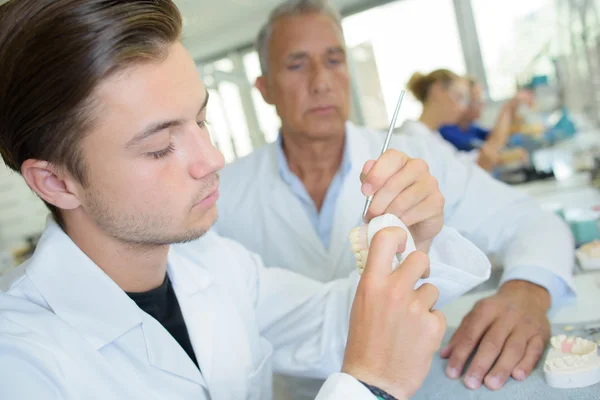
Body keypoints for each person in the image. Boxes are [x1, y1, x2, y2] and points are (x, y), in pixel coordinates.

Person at [0, 1, 493, 399]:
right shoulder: (20, 365)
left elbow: (341, 322)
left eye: (201, 120)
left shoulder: (214, 263)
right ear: (56, 182)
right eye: (158, 147)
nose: (212, 158)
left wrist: (417, 239)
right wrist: (367, 389)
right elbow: (369, 359)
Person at [215, 0, 576, 396]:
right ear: (265, 88)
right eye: (296, 65)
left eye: (334, 61)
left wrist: (526, 292)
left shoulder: (415, 159)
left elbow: (533, 220)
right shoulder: (223, 194)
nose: (320, 82)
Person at [405, 71, 529, 171]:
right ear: (437, 91)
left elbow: (463, 163)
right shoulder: (413, 135)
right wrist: (508, 108)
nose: (463, 107)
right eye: (459, 97)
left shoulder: (434, 136)